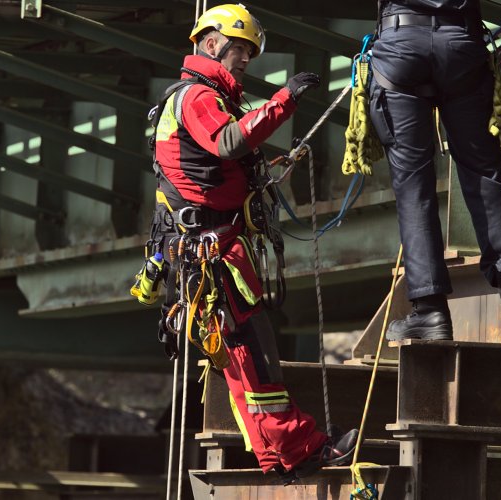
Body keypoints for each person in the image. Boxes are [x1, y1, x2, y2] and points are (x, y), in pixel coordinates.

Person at [149, 3, 357, 481]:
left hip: (208, 249)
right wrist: (284, 100)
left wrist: (270, 165)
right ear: (208, 42)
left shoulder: (200, 97)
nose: (244, 59)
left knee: (243, 354)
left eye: (249, 52)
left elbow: (220, 163)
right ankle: (300, 447)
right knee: (253, 352)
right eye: (239, 49)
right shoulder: (198, 96)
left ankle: (275, 455)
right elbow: (227, 143)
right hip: (211, 251)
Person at [366, 0, 501, 343]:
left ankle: (429, 310)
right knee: (483, 173)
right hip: (460, 42)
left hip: (399, 46)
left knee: (413, 186)